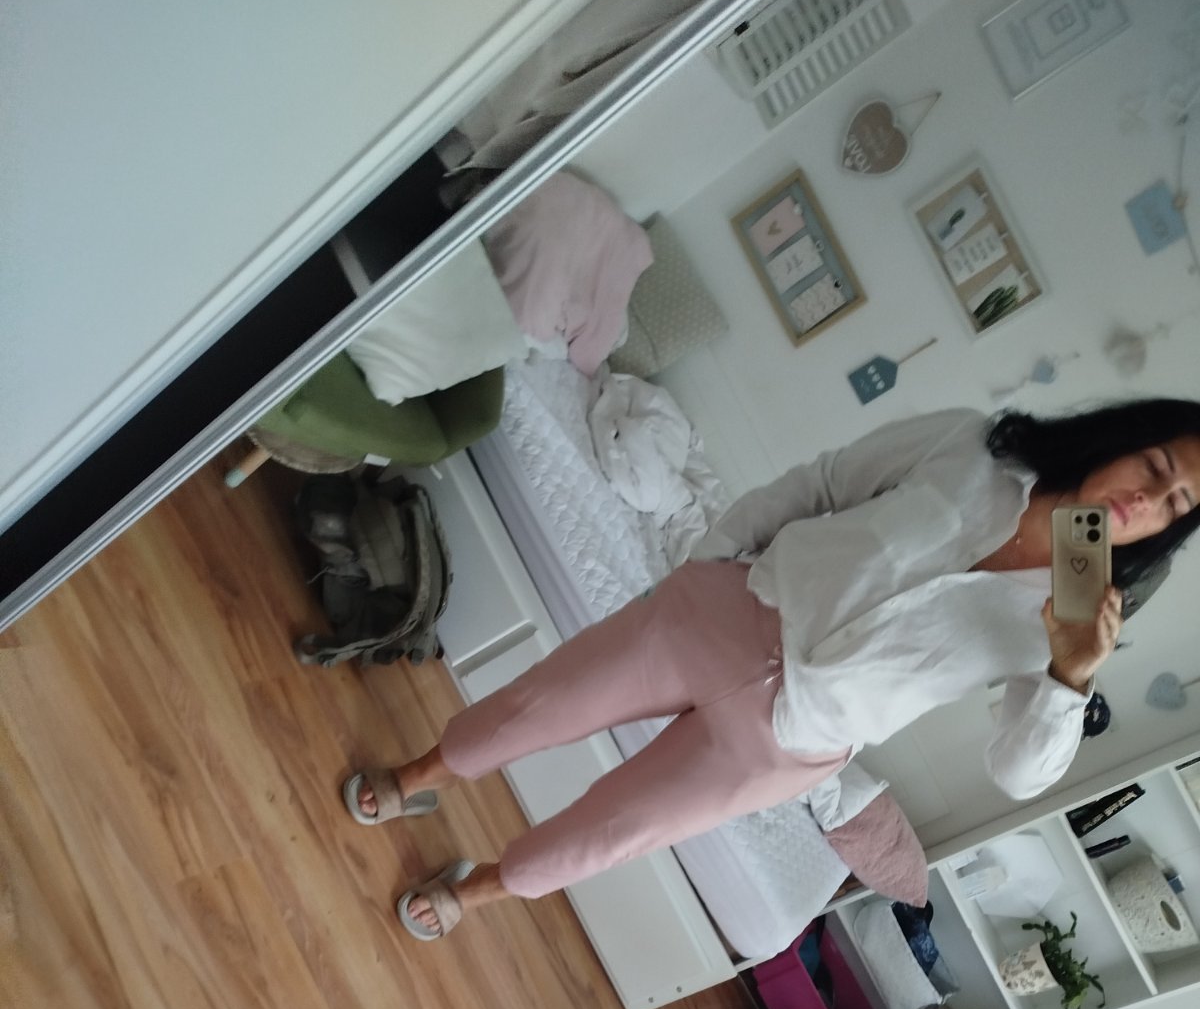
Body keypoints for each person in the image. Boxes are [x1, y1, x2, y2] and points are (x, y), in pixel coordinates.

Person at [342, 399, 1200, 941]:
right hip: (733, 609)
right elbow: (826, 483)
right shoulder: (980, 449)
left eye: (1177, 503)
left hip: (790, 741)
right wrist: (712, 559)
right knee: (539, 707)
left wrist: (1069, 679)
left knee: (612, 832)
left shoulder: (1079, 616)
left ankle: (478, 891)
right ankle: (417, 778)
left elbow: (1017, 774)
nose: (1145, 498)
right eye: (1156, 465)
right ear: (1125, 437)